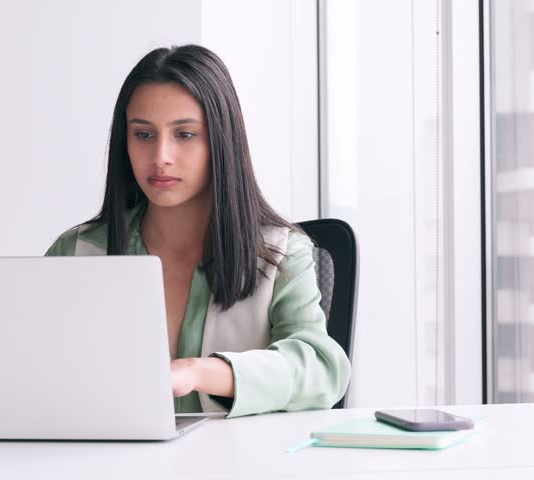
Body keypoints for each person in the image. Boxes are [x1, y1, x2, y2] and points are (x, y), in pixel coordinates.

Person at [45, 44, 351, 418]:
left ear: (221, 141)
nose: (161, 157)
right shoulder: (76, 251)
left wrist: (202, 372)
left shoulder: (283, 254)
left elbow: (322, 369)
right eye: (143, 135)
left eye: (185, 134)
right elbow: (34, 369)